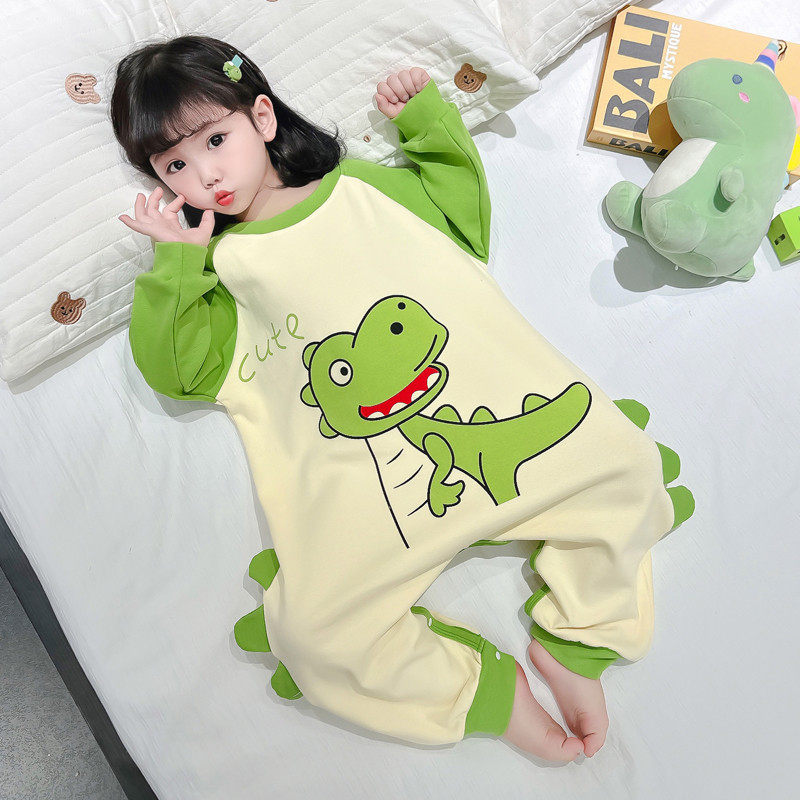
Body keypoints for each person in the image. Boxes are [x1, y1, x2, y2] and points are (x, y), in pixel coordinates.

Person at [112, 35, 694, 762]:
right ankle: (486, 691)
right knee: (314, 640)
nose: (206, 175)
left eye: (215, 140)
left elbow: (461, 218)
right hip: (368, 509)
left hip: (502, 431)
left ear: (262, 117)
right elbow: (176, 369)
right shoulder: (221, 274)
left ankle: (578, 643)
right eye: (174, 166)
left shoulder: (362, 189)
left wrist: (425, 120)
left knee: (629, 471)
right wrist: (177, 260)